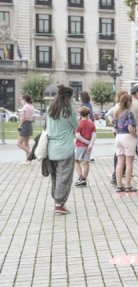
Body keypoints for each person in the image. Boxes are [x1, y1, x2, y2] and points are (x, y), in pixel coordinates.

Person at [46, 86, 79, 214]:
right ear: (69, 97)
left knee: (55, 176)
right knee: (64, 177)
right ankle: (59, 204)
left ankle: (56, 200)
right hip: (65, 147)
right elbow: (76, 126)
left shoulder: (50, 108)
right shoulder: (68, 110)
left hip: (51, 148)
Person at [114, 94, 138, 192]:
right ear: (128, 102)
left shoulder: (117, 113)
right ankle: (128, 186)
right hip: (128, 137)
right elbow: (130, 128)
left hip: (118, 137)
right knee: (129, 163)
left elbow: (115, 127)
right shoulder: (129, 113)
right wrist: (136, 136)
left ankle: (119, 185)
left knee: (120, 163)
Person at [107, 90, 129, 186]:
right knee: (120, 155)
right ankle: (115, 176)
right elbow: (108, 114)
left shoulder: (119, 107)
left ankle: (118, 175)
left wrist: (114, 123)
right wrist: (114, 123)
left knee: (120, 154)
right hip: (120, 133)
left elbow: (108, 115)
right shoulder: (118, 107)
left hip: (118, 133)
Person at [74, 106, 96, 187]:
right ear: (88, 114)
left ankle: (81, 177)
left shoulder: (78, 123)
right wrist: (90, 144)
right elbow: (94, 136)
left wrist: (86, 141)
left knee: (76, 161)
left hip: (79, 145)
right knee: (86, 162)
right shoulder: (91, 124)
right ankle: (84, 179)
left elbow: (77, 135)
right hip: (88, 147)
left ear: (80, 114)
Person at [17, 95, 35, 164]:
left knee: (19, 143)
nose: (21, 101)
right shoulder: (32, 106)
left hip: (25, 125)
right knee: (26, 143)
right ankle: (28, 160)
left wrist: (20, 125)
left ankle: (31, 153)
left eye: (22, 99)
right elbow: (33, 118)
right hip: (30, 125)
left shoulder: (25, 106)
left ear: (24, 99)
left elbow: (23, 117)